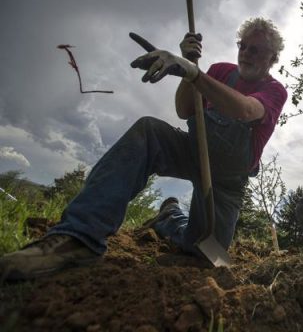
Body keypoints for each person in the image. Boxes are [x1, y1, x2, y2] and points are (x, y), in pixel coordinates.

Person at [0, 17, 288, 280]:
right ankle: (78, 236)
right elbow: (183, 109)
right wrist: (192, 68)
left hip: (225, 181)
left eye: (256, 50)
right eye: (243, 46)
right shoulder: (220, 71)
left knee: (205, 253)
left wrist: (193, 74)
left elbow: (246, 110)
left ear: (273, 58)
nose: (246, 53)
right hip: (191, 150)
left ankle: (170, 217)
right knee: (149, 131)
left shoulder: (275, 90)